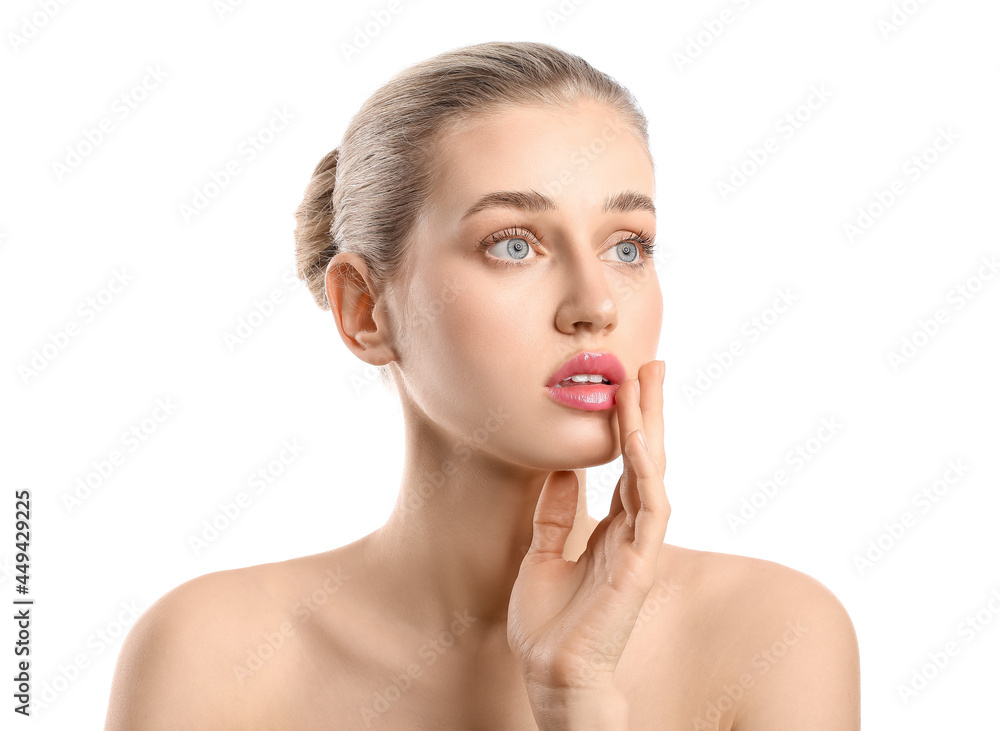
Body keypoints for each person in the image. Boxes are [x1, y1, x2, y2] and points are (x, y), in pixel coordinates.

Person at [104, 41, 860, 729]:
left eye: (627, 246)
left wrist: (579, 700)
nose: (594, 305)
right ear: (365, 309)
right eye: (513, 243)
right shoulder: (209, 655)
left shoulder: (775, 633)